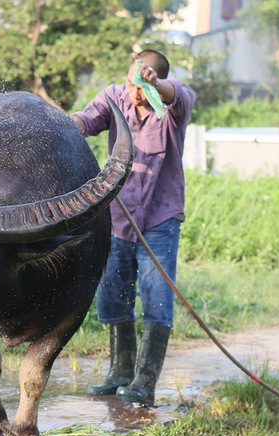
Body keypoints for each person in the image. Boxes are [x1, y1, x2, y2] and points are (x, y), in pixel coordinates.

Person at [70, 49, 195, 407]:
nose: (134, 92)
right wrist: (64, 125)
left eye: (141, 86)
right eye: (131, 83)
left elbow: (178, 93)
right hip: (118, 219)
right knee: (113, 296)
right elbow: (87, 120)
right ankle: (120, 373)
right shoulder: (114, 96)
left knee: (157, 299)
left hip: (160, 219)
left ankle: (145, 382)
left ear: (154, 81)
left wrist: (159, 87)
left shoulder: (172, 106)